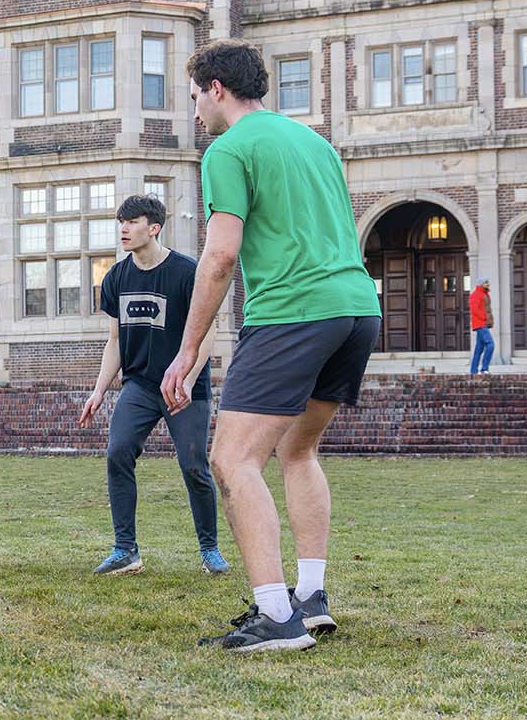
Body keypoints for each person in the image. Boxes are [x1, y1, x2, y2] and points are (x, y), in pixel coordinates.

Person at [160, 40, 381, 654]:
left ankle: (275, 617)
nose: (196, 109)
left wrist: (186, 350)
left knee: (233, 461)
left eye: (195, 95)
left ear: (217, 89)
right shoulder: (315, 143)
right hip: (356, 310)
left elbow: (221, 253)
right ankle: (310, 599)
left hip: (292, 315)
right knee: (298, 449)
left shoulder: (228, 149)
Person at [78, 194, 227, 577]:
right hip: (141, 385)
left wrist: (189, 379)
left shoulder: (185, 272)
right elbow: (114, 340)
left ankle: (210, 550)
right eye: (120, 222)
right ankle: (125, 549)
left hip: (184, 385)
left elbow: (207, 329)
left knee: (194, 466)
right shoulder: (116, 278)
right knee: (118, 453)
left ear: (154, 227)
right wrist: (99, 390)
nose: (124, 229)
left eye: (132, 221)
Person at [469, 278, 494, 376]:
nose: (488, 284)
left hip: (484, 323)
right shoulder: (476, 295)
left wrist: (489, 320)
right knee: (490, 344)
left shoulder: (484, 294)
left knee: (479, 348)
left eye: (488, 282)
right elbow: (474, 310)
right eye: (486, 282)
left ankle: (473, 370)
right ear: (481, 284)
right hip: (480, 324)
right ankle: (484, 369)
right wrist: (484, 318)